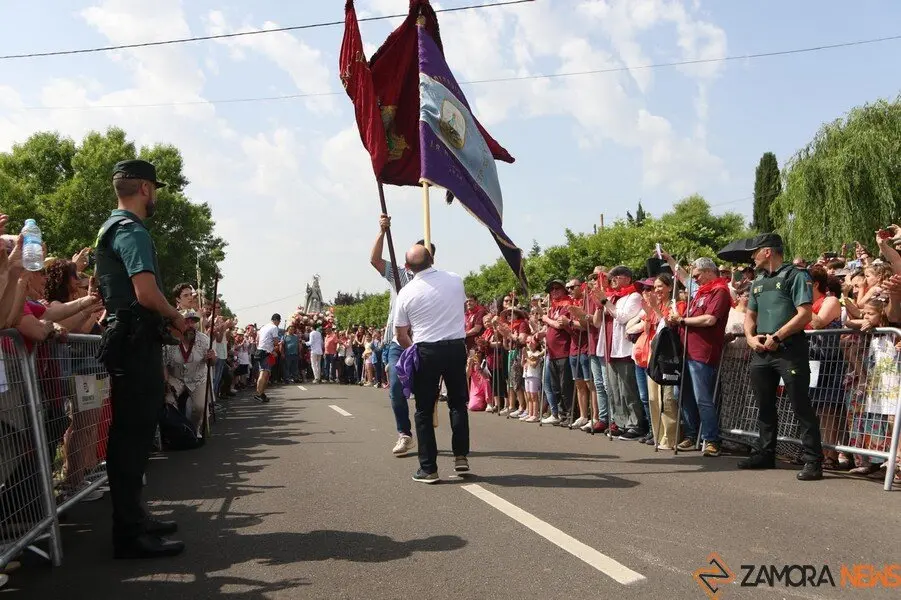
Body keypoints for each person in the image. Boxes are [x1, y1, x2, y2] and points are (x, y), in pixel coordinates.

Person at [95, 159, 187, 558]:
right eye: (156, 189)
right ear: (146, 189)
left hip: (130, 338)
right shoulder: (130, 230)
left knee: (133, 435)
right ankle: (129, 533)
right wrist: (178, 317)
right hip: (135, 341)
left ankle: (134, 518)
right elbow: (146, 293)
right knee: (132, 437)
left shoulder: (114, 227)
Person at [738, 233, 824, 480]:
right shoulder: (758, 281)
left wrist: (777, 337)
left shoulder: (796, 275)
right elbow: (749, 316)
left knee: (800, 405)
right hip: (762, 350)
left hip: (788, 349)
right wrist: (751, 337)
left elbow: (805, 314)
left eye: (754, 251)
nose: (751, 257)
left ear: (767, 252)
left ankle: (813, 461)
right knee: (764, 404)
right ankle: (766, 453)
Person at [393, 244, 470, 484]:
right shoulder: (455, 280)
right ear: (432, 259)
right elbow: (462, 307)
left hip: (426, 350)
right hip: (456, 347)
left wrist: (412, 350)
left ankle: (428, 468)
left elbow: (401, 333)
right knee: (458, 404)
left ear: (407, 267)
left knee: (424, 410)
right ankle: (460, 456)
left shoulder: (405, 292)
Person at [370, 213, 437, 456]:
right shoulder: (399, 274)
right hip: (398, 342)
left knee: (424, 392)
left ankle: (426, 436)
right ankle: (404, 434)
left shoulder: (437, 281)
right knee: (396, 388)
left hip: (424, 340)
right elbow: (375, 260)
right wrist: (382, 232)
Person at [664, 257, 731, 456]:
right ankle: (692, 435)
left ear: (710, 271)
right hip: (686, 351)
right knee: (682, 395)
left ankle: (711, 439)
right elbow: (683, 277)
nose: (696, 280)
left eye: (698, 275)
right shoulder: (699, 292)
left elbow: (710, 319)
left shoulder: (720, 291)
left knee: (703, 397)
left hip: (702, 352)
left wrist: (683, 320)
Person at [164, 310, 216, 432]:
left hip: (198, 378)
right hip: (176, 378)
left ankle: (194, 429)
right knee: (168, 402)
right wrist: (165, 382)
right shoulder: (169, 340)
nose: (191, 325)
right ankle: (176, 430)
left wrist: (212, 358)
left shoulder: (204, 340)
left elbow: (213, 363)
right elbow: (164, 364)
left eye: (193, 322)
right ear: (177, 324)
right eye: (187, 322)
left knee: (200, 407)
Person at [254, 313, 281, 402]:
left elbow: (259, 340)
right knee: (264, 373)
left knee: (265, 373)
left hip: (260, 350)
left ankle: (261, 393)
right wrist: (276, 347)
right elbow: (276, 341)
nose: (279, 323)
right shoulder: (274, 328)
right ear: (276, 320)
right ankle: (258, 394)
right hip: (266, 352)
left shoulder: (264, 327)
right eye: (279, 321)